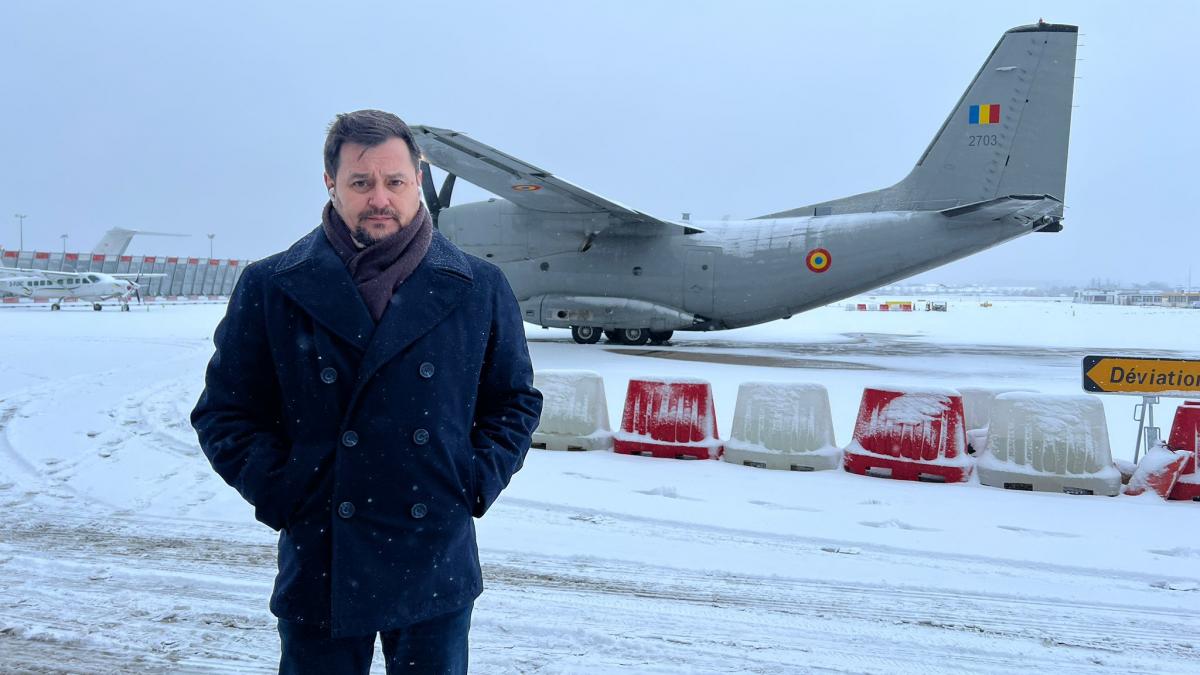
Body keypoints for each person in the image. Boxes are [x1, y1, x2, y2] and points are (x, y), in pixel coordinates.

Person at [191, 109, 542, 674]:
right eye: (361, 182)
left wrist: (472, 481)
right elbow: (225, 413)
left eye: (395, 181)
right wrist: (285, 492)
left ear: (418, 181)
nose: (380, 197)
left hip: (434, 556)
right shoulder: (273, 285)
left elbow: (514, 402)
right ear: (331, 184)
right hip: (323, 555)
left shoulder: (478, 286)